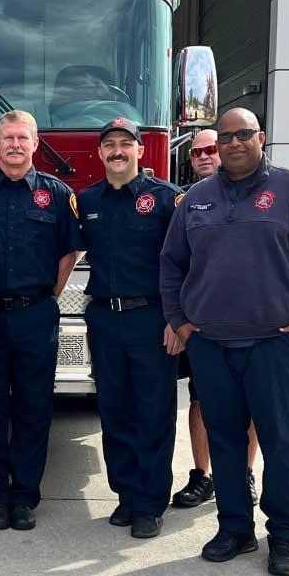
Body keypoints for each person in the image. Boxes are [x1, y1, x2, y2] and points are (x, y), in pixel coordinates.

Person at [160, 108, 289, 576]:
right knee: (224, 441)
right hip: (211, 346)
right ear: (216, 145)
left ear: (260, 137)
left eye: (244, 135)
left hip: (275, 347)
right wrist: (180, 322)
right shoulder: (196, 200)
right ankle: (235, 529)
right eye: (225, 137)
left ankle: (283, 535)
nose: (234, 143)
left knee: (283, 444)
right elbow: (171, 265)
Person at [0, 110, 81, 532]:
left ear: (35, 143)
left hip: (36, 314)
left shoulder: (58, 194)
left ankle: (25, 496)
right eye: (7, 138)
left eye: (21, 138)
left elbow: (69, 252)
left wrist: (49, 295)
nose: (14, 144)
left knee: (33, 407)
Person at [79, 117, 183, 539]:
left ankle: (151, 503)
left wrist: (178, 320)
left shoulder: (166, 200)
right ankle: (125, 494)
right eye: (110, 145)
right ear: (100, 153)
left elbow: (185, 264)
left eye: (126, 144)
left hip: (151, 319)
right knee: (113, 409)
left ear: (141, 150)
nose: (117, 151)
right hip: (104, 318)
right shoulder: (86, 200)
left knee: (153, 412)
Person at [172, 129, 259, 509]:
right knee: (200, 400)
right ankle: (203, 475)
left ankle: (245, 473)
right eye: (198, 153)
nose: (206, 156)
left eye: (212, 149)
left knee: (252, 402)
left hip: (254, 323)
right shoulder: (185, 202)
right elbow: (171, 264)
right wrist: (178, 319)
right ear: (190, 161)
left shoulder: (258, 194)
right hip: (203, 326)